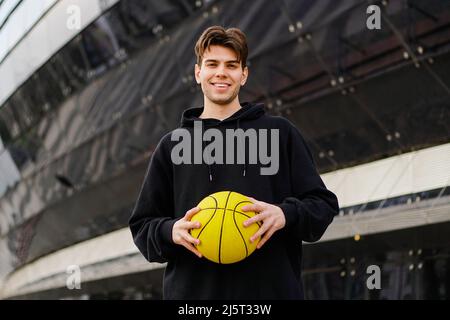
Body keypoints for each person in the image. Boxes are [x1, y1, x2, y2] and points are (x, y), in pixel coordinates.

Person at [128, 26, 339, 299]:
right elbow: (142, 226)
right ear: (198, 73)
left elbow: (323, 205)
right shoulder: (172, 145)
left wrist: (285, 214)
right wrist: (171, 231)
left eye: (231, 65)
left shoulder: (279, 134)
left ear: (244, 75)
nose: (221, 73)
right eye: (212, 64)